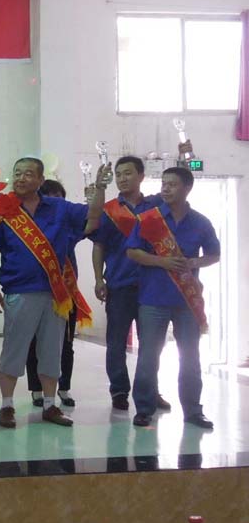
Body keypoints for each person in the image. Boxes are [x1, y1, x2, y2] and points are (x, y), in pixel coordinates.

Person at [0, 156, 109, 429]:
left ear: (40, 180)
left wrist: (99, 187)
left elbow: (93, 216)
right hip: (19, 291)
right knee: (14, 350)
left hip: (56, 294)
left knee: (52, 351)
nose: (21, 178)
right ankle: (7, 405)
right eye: (17, 173)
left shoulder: (59, 208)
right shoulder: (2, 212)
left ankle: (50, 405)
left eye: (28, 174)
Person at [127, 166, 220, 429]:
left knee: (190, 357)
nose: (165, 189)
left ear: (187, 188)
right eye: (164, 184)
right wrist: (162, 261)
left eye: (172, 184)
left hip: (186, 302)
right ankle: (144, 409)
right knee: (148, 357)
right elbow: (132, 252)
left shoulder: (201, 222)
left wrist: (193, 262)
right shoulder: (149, 219)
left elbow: (214, 254)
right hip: (153, 299)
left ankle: (193, 411)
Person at [91, 155, 170, 413]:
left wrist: (186, 156)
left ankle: (150, 390)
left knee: (152, 344)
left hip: (152, 285)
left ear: (141, 176)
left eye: (128, 173)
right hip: (119, 284)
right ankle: (119, 390)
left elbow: (179, 190)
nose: (122, 179)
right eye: (118, 174)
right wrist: (98, 278)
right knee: (116, 343)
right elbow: (99, 246)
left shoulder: (156, 205)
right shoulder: (108, 210)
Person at [25, 179, 81, 408]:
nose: (55, 201)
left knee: (65, 343)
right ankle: (36, 389)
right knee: (34, 342)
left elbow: (91, 222)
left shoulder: (69, 224)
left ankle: (64, 387)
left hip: (65, 293)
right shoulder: (28, 226)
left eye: (59, 197)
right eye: (49, 197)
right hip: (35, 291)